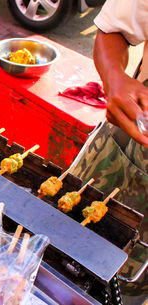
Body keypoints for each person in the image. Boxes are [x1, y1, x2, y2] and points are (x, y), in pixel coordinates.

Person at [70, 0, 147, 299]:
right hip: (130, 155)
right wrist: (114, 77)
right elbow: (112, 31)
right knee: (67, 256)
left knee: (129, 294)